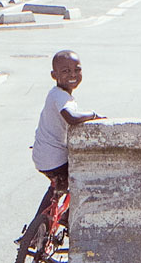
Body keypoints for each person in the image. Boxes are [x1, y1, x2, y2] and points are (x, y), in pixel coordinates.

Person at [32, 50, 99, 197]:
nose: (73, 75)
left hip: (44, 155)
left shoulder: (57, 94)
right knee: (84, 179)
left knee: (58, 189)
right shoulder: (60, 95)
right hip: (53, 159)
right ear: (54, 75)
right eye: (66, 71)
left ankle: (50, 210)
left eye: (77, 70)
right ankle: (59, 211)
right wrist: (93, 115)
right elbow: (71, 117)